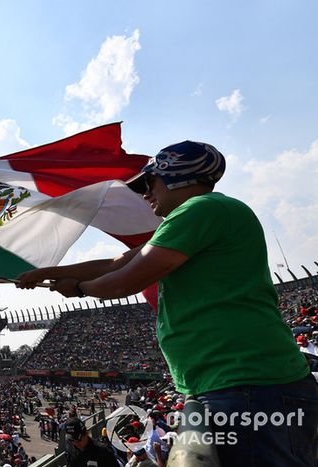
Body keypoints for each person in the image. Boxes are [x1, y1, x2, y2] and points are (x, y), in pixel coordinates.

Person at [17, 141, 318, 466]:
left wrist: (78, 288)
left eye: (149, 182)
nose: (144, 193)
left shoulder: (201, 209)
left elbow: (125, 279)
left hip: (247, 387)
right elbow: (116, 263)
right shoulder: (200, 216)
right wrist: (49, 272)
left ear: (179, 177)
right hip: (239, 386)